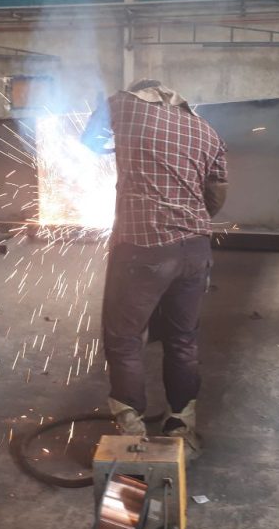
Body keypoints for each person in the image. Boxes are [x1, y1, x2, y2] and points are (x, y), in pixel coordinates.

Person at [82, 79, 228, 459]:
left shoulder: (123, 106)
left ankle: (131, 434)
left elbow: (90, 142)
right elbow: (215, 196)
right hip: (195, 249)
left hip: (143, 250)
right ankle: (182, 426)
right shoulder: (206, 130)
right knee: (183, 339)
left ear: (138, 95)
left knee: (125, 339)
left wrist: (121, 149)